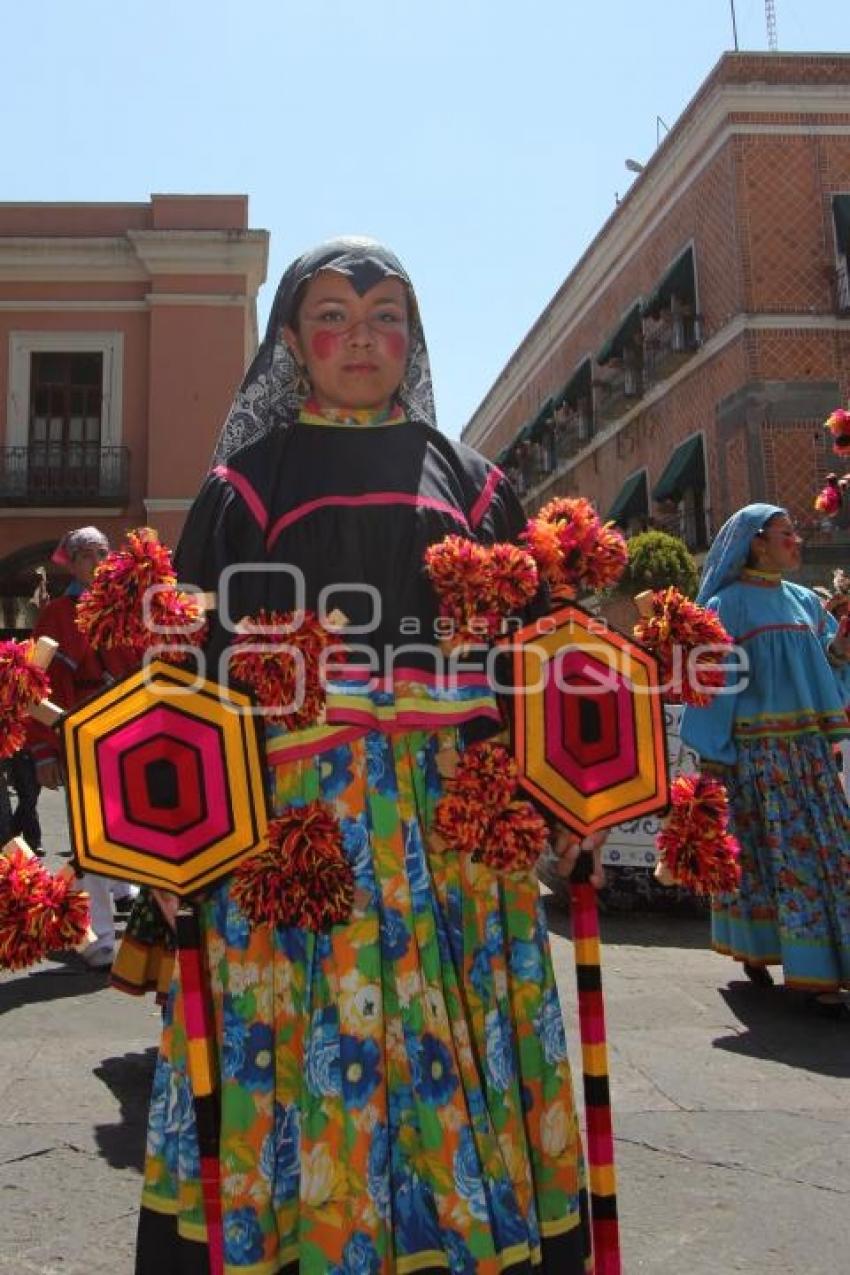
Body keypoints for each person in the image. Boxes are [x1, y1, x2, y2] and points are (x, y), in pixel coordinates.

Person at [132, 239, 597, 1274]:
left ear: (412, 335)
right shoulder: (246, 486)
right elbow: (189, 672)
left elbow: (539, 655)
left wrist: (574, 800)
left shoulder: (475, 483)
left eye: (386, 315)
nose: (361, 338)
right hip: (297, 825)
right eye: (334, 315)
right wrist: (171, 847)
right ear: (292, 340)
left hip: (454, 829)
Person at [680, 503, 850, 1012]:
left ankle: (824, 962)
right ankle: (804, 968)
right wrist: (715, 755)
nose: (796, 540)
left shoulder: (804, 602)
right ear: (756, 541)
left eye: (794, 531)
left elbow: (829, 667)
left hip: (812, 756)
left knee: (831, 856)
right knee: (780, 859)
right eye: (786, 532)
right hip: (759, 759)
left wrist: (841, 645)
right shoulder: (727, 608)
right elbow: (711, 684)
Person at [27, 525, 138, 968]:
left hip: (128, 734)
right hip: (78, 732)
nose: (97, 562)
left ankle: (110, 902)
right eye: (87, 555)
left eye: (103, 554)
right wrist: (43, 750)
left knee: (127, 827)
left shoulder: (128, 609)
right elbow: (39, 686)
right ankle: (99, 937)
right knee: (91, 834)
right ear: (71, 563)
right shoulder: (56, 614)